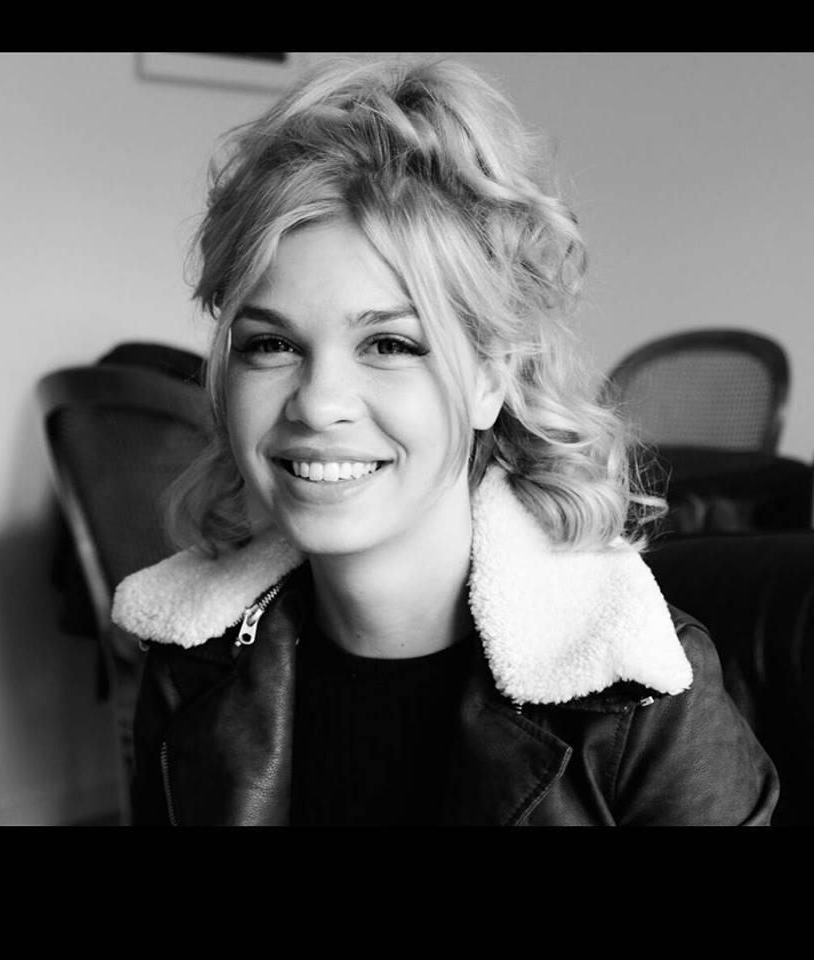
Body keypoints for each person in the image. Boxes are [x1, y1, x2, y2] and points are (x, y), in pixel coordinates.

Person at [112, 56, 778, 825]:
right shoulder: (190, 662)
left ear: (492, 378)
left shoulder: (641, 699)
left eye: (390, 344)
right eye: (271, 344)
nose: (319, 402)